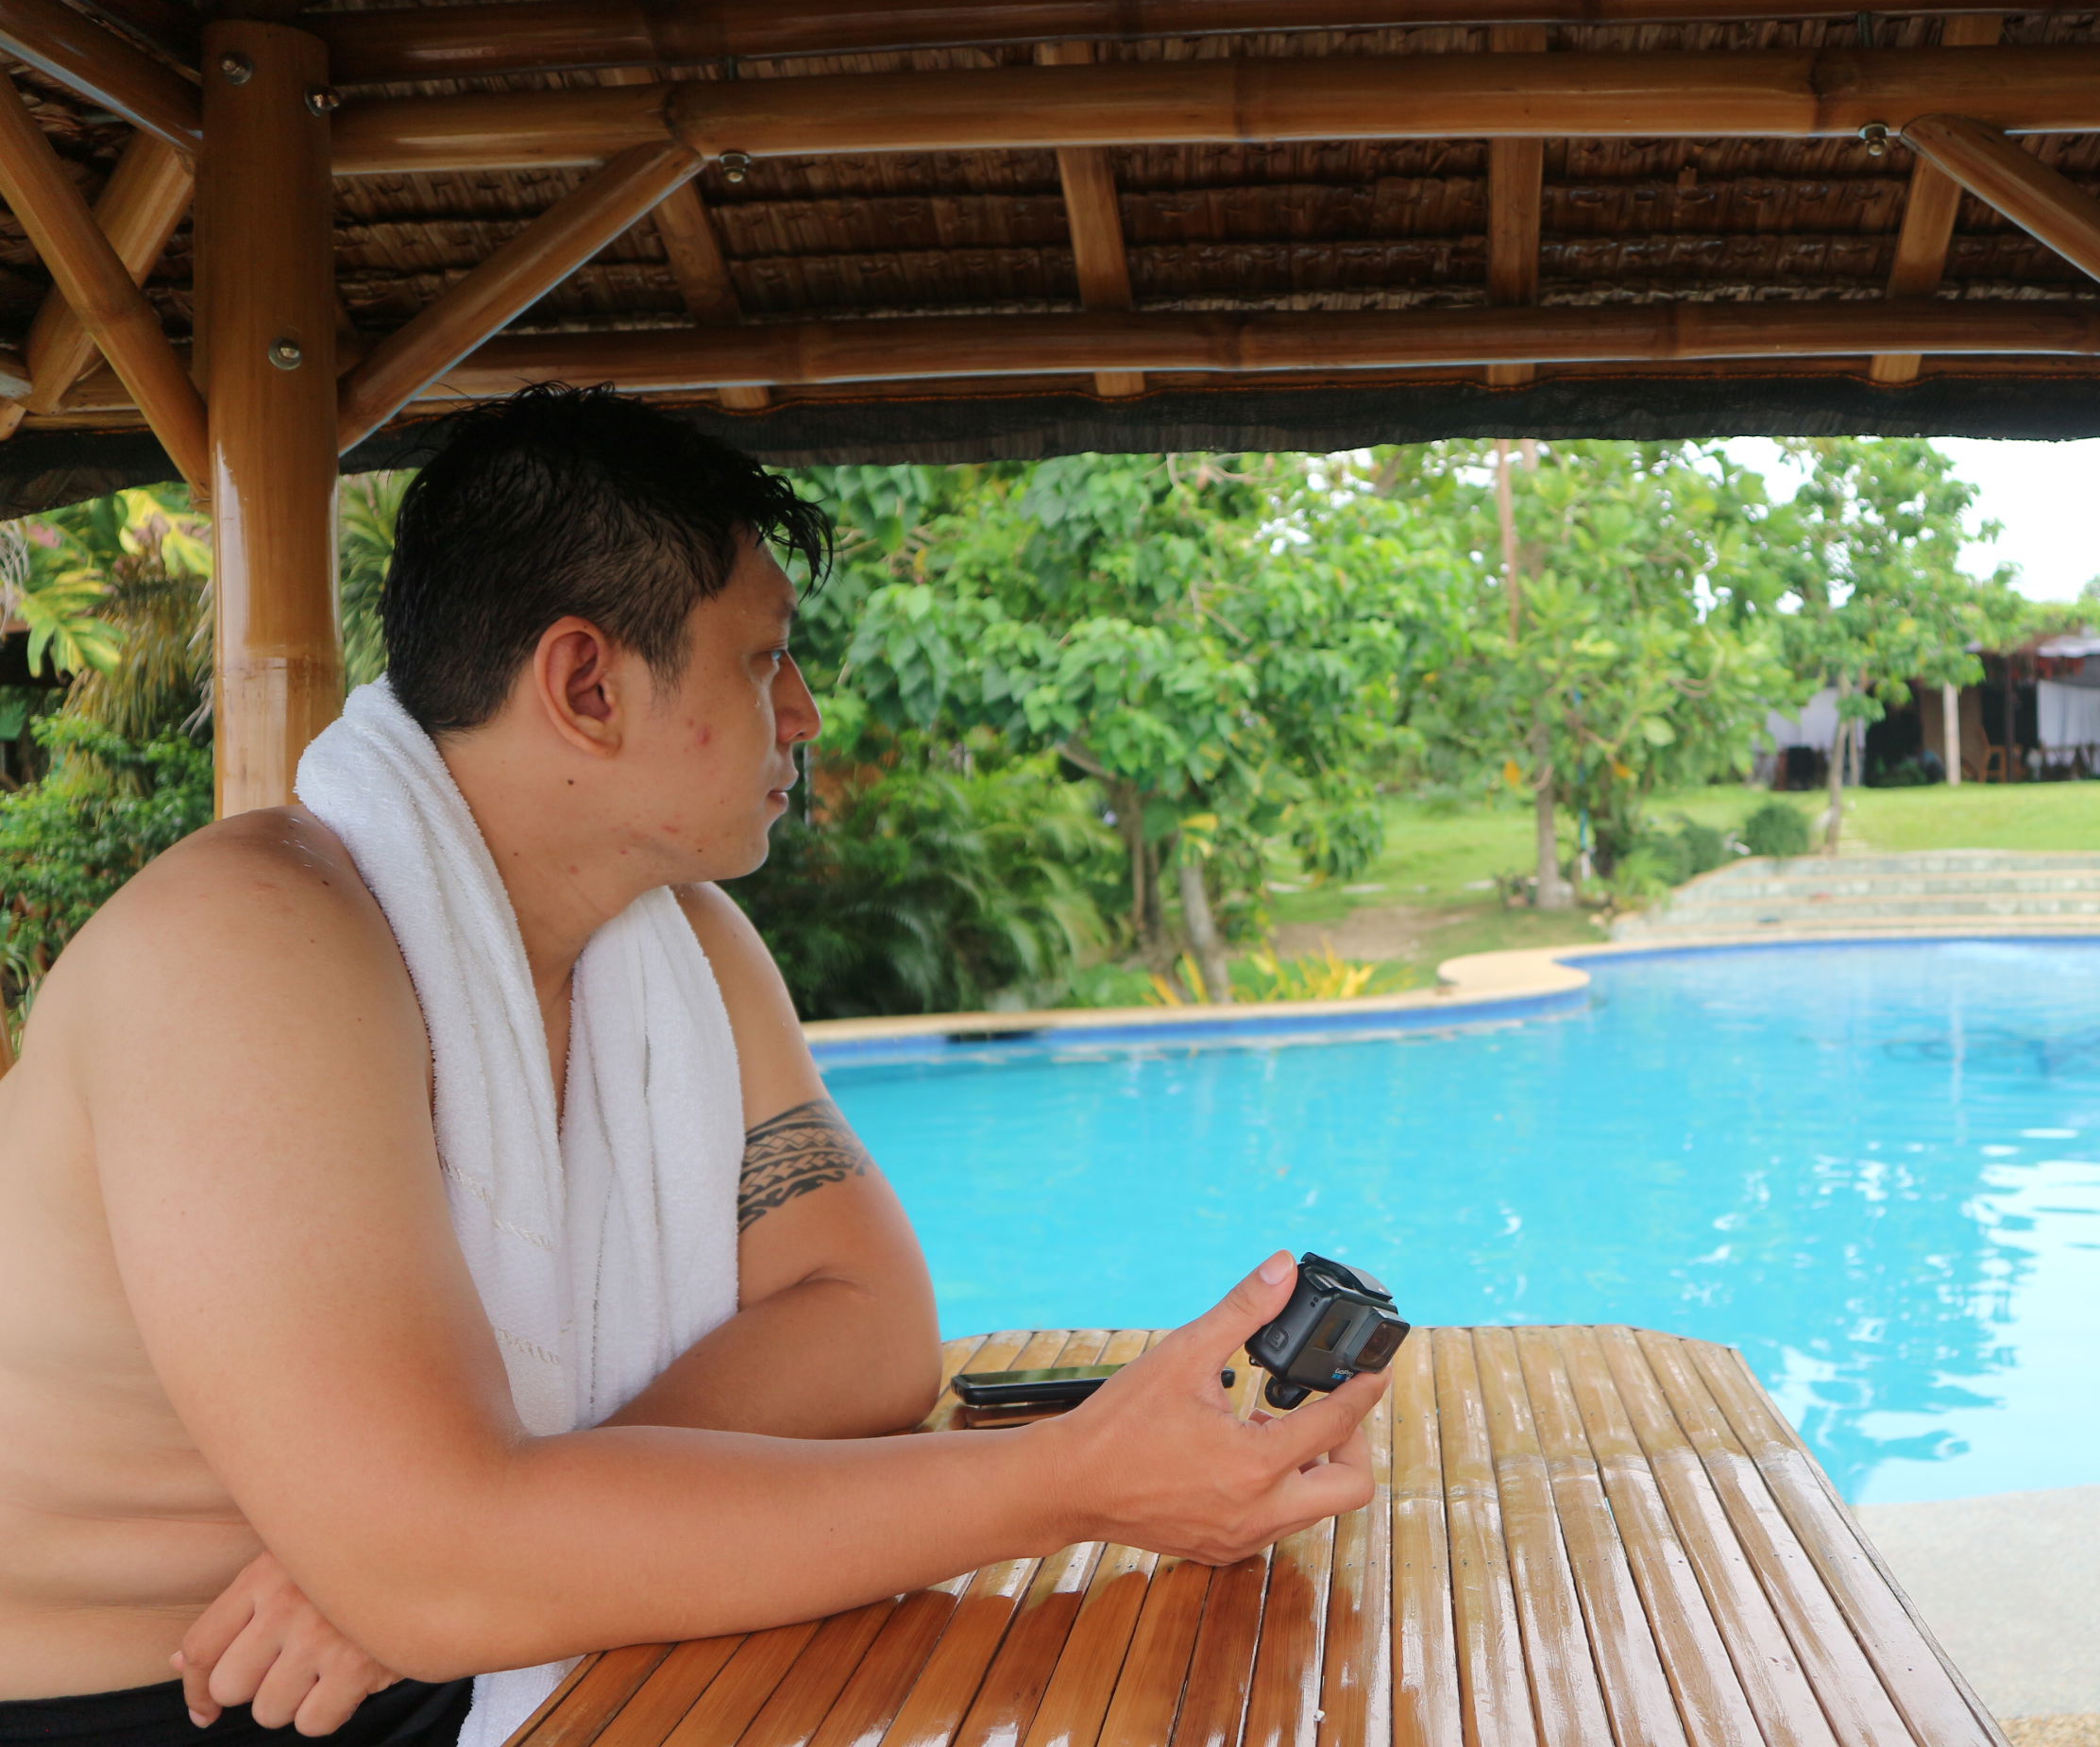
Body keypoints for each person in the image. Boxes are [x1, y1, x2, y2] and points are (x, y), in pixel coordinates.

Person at [0, 387, 1386, 1743]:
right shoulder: (251, 951)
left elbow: (869, 1328)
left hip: (449, 1640)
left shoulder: (680, 955)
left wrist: (519, 1533)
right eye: (761, 659)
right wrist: (1069, 1483)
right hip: (151, 1706)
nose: (805, 716)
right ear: (587, 683)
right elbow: (437, 1567)